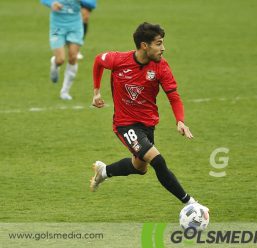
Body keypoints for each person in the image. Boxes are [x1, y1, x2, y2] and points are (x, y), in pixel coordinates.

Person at [90, 22, 203, 207]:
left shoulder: (161, 67)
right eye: (158, 43)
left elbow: (173, 96)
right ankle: (191, 203)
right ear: (144, 45)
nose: (163, 48)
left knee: (139, 167)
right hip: (124, 124)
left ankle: (103, 172)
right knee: (158, 161)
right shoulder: (118, 60)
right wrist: (96, 92)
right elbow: (98, 61)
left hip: (148, 125)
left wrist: (180, 120)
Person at [41, 0, 94, 100]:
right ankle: (55, 63)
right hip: (57, 26)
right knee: (60, 60)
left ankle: (65, 92)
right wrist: (51, 3)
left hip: (75, 26)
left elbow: (92, 3)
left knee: (73, 57)